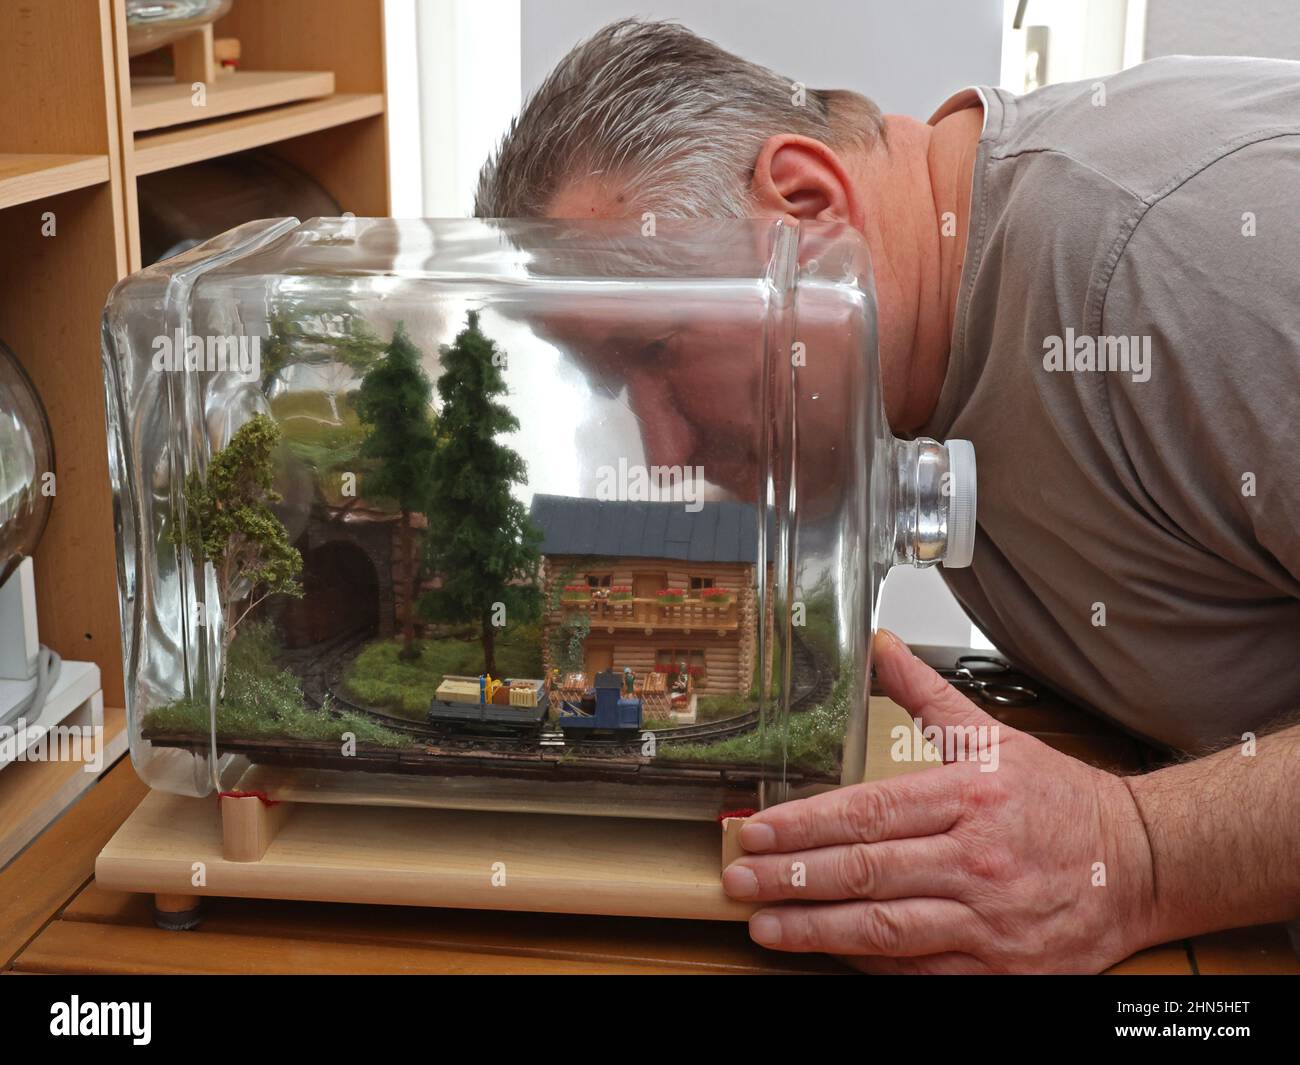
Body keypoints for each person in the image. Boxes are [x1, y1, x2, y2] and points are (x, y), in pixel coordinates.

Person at [476, 19, 1300, 972]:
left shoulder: (1172, 257)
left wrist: (1136, 851)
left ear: (809, 203)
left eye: (660, 349)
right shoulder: (916, 358)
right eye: (621, 389)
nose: (664, 453)